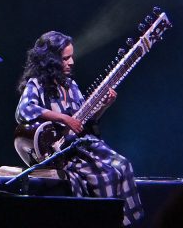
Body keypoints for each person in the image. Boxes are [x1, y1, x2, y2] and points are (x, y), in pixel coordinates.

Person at [14, 31, 144, 227]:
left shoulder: (71, 85)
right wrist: (63, 118)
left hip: (80, 145)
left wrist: (104, 105)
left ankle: (124, 222)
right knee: (107, 175)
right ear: (51, 61)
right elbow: (24, 110)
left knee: (123, 165)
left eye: (71, 56)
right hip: (61, 153)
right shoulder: (37, 84)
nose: (72, 62)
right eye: (66, 58)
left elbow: (84, 122)